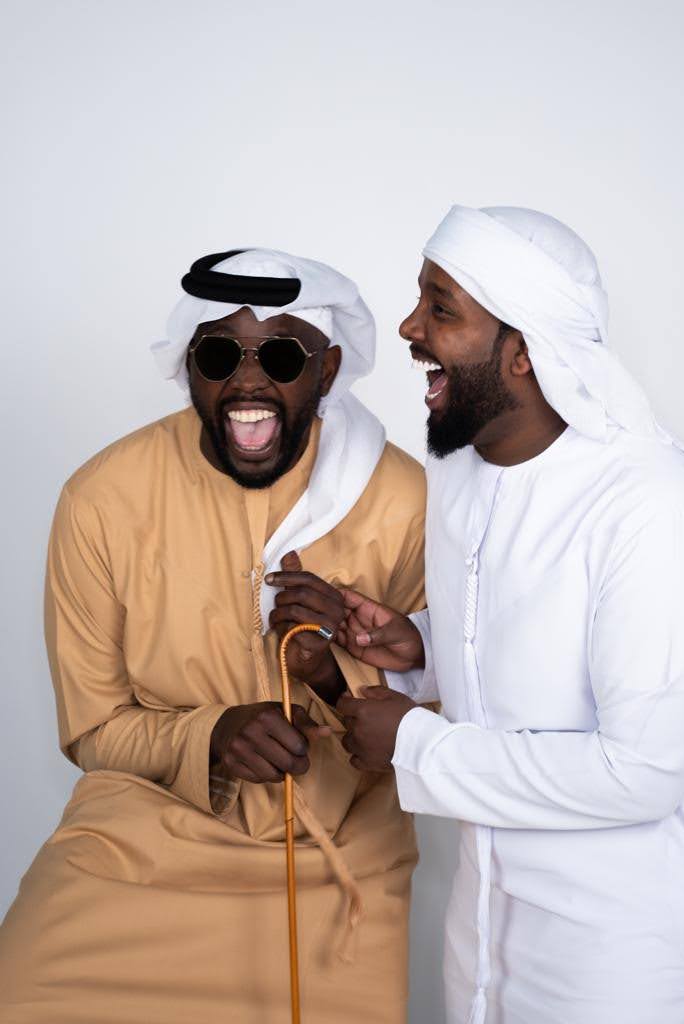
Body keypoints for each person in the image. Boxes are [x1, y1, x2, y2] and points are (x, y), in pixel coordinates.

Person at [336, 207, 684, 1024]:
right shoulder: (464, 469)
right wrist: (418, 647)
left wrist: (412, 743)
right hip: (492, 920)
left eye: (441, 309)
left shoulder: (650, 509)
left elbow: (640, 772)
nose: (409, 327)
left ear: (522, 350)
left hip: (639, 948)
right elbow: (540, 636)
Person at [0, 248, 426, 1022]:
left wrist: (332, 674)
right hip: (136, 845)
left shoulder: (402, 498)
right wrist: (210, 736)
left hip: (340, 857)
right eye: (220, 355)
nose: (248, 382)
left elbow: (450, 715)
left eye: (282, 357)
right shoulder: (103, 497)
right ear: (190, 366)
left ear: (327, 370)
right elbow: (93, 729)